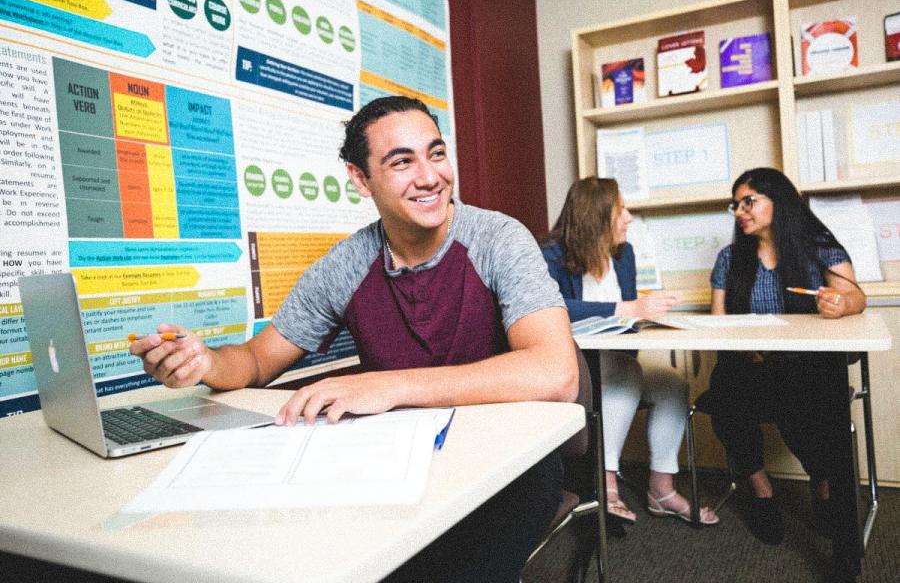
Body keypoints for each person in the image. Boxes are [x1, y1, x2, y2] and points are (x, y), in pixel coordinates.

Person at [129, 95, 578, 583]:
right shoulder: (346, 264)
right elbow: (257, 361)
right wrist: (204, 362)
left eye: (437, 153)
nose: (429, 177)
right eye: (402, 162)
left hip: (509, 459)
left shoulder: (498, 238)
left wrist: (390, 386)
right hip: (397, 459)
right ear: (360, 179)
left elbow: (555, 372)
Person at [706, 167, 866, 555]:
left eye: (750, 201)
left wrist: (840, 303)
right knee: (723, 390)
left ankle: (825, 484)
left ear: (779, 202)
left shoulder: (818, 246)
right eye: (736, 204)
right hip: (752, 366)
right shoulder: (730, 258)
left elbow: (857, 298)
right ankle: (761, 489)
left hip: (807, 367)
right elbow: (717, 324)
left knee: (807, 401)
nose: (740, 211)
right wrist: (743, 346)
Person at [542, 176, 718, 525]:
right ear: (597, 215)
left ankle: (661, 489)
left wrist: (647, 313)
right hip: (574, 372)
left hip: (616, 363)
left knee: (672, 384)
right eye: (621, 209)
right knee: (626, 374)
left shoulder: (624, 255)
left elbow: (631, 317)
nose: (629, 218)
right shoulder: (550, 254)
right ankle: (605, 484)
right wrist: (628, 309)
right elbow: (552, 306)